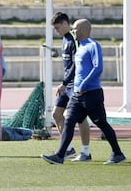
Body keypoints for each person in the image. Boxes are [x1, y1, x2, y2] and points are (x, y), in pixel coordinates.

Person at [41, 19, 126, 164]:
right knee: (68, 122)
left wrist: (83, 85)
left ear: (83, 30)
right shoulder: (80, 47)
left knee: (101, 123)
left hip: (91, 94)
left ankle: (117, 153)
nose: (73, 31)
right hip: (77, 95)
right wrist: (75, 88)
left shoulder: (93, 46)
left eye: (75, 29)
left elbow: (97, 68)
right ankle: (60, 155)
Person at [51, 12, 91, 162]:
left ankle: (86, 152)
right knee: (57, 114)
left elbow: (76, 64)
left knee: (80, 119)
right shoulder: (64, 40)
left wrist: (64, 82)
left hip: (75, 85)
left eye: (57, 27)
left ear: (66, 24)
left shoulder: (74, 39)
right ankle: (68, 149)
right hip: (67, 84)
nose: (56, 31)